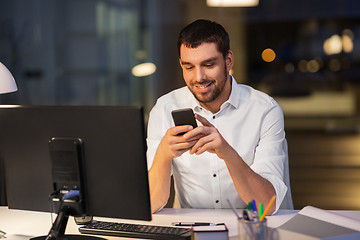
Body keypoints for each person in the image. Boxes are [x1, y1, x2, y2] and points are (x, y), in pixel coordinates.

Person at [146, 19, 289, 215]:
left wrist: (226, 152)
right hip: (191, 230)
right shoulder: (164, 109)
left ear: (228, 61)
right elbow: (151, 205)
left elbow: (267, 205)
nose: (199, 77)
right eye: (189, 67)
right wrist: (163, 154)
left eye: (208, 64)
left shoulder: (264, 110)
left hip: (251, 228)